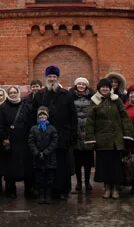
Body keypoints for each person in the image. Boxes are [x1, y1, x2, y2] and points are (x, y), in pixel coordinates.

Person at [31, 66, 78, 200]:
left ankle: (63, 190)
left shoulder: (66, 94)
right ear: (46, 78)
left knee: (62, 166)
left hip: (63, 136)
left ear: (58, 78)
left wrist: (72, 135)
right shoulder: (39, 95)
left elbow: (73, 117)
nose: (52, 79)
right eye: (49, 77)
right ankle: (47, 191)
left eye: (54, 77)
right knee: (46, 165)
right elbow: (32, 116)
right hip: (44, 137)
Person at [85, 78, 133, 199]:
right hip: (102, 141)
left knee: (116, 166)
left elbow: (125, 118)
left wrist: (127, 135)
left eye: (107, 87)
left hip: (116, 140)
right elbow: (90, 122)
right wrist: (91, 138)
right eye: (102, 87)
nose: (105, 89)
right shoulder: (94, 101)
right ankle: (107, 188)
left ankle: (115, 188)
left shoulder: (117, 100)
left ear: (110, 88)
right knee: (105, 166)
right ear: (99, 88)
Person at [0, 85, 32, 199]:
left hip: (24, 141)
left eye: (14, 92)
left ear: (18, 93)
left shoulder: (25, 107)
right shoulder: (3, 108)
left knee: (26, 168)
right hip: (10, 142)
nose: (12, 94)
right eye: (10, 93)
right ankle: (10, 190)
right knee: (9, 168)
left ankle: (29, 190)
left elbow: (30, 123)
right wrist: (3, 138)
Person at [28, 106, 58, 204]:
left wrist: (46, 152)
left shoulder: (52, 128)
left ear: (47, 116)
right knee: (39, 178)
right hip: (38, 158)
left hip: (49, 158)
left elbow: (54, 141)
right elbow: (31, 141)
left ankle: (48, 195)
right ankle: (41, 195)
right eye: (40, 114)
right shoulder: (34, 128)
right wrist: (36, 152)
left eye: (44, 114)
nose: (42, 116)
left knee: (49, 178)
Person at [71, 77, 94, 193]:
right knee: (77, 161)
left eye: (83, 84)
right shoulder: (70, 96)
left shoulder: (93, 97)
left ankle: (87, 182)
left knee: (88, 161)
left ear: (86, 86)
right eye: (79, 84)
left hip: (88, 132)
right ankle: (79, 183)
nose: (81, 86)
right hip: (76, 132)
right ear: (76, 85)